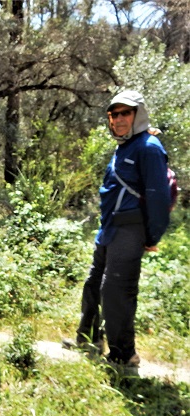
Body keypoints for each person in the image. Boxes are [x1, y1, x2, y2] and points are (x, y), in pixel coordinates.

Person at [62, 90, 170, 367]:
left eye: (125, 113)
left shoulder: (149, 147)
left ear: (138, 115)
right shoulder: (125, 146)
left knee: (116, 292)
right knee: (93, 284)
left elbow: (159, 197)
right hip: (109, 228)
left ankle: (124, 356)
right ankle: (88, 341)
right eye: (114, 114)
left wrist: (152, 236)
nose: (118, 119)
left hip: (130, 230)